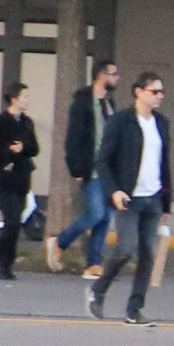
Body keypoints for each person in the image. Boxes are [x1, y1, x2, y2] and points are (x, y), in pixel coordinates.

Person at [91, 71, 171, 324]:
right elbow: (103, 160)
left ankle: (134, 309)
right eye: (154, 91)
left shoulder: (162, 122)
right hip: (128, 197)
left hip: (153, 197)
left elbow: (164, 163)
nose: (159, 96)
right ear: (138, 92)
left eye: (161, 92)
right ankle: (98, 290)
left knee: (148, 254)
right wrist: (114, 190)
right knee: (125, 249)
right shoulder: (121, 121)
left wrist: (166, 201)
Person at [49, 58, 119, 275]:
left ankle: (93, 263)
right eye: (113, 73)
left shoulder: (109, 104)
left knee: (105, 217)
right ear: (101, 75)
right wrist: (76, 168)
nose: (117, 78)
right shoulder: (83, 102)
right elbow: (74, 138)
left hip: (110, 171)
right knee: (96, 212)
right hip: (92, 168)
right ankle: (59, 242)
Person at [0, 84, 39, 280]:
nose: (27, 101)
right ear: (14, 99)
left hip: (21, 177)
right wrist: (7, 151)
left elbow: (34, 148)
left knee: (14, 222)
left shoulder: (27, 123)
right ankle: (4, 263)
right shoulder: (1, 122)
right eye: (24, 97)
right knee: (12, 220)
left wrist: (23, 147)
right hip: (3, 178)